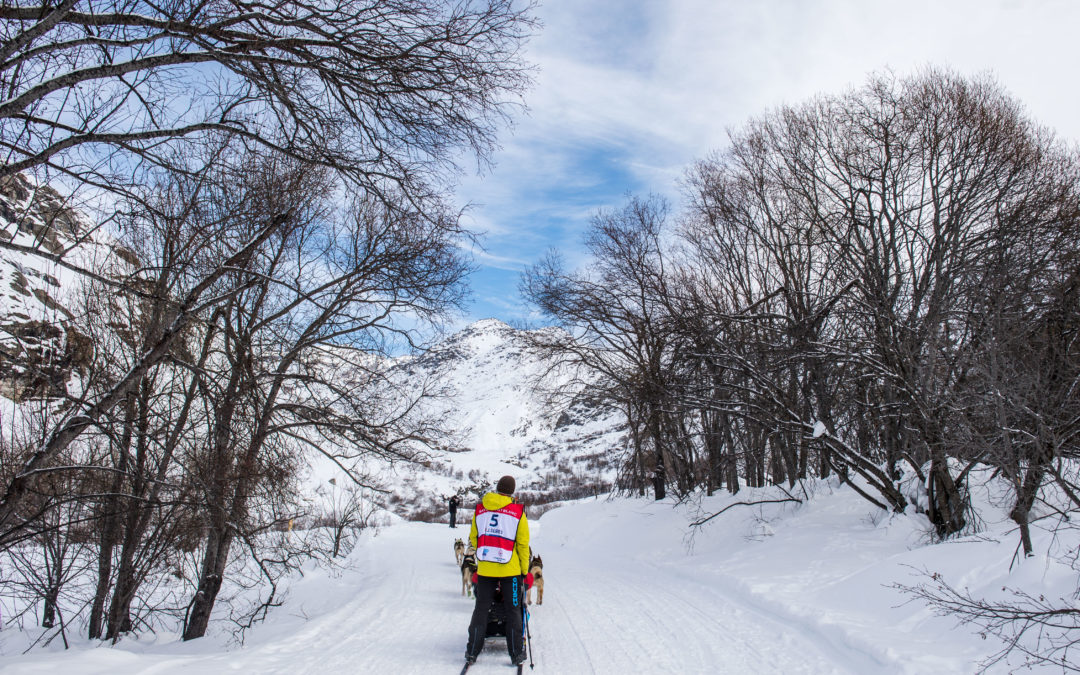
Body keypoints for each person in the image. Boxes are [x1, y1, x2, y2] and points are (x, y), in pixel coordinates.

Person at [464, 475, 531, 666]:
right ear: (512, 491)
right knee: (513, 611)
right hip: (510, 569)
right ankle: (516, 653)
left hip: (485, 568)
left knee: (481, 609)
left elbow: (474, 537)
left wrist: (484, 551)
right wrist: (524, 570)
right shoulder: (517, 512)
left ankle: (472, 651)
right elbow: (523, 545)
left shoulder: (481, 509)